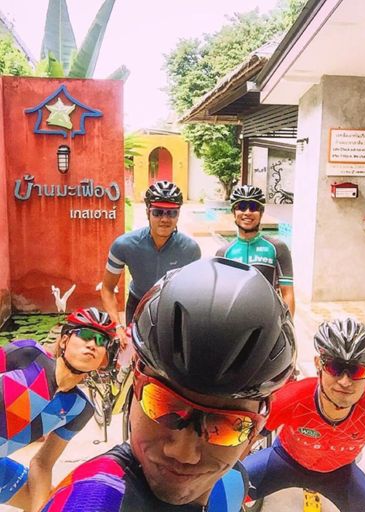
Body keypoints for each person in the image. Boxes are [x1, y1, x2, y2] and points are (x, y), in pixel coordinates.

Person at [40, 257, 296, 511]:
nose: (183, 453)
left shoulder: (234, 482)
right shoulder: (91, 499)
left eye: (226, 425)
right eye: (162, 404)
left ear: (255, 432)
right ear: (134, 386)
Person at [243, 318, 365, 512]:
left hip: (340, 473)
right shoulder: (290, 398)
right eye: (335, 367)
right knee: (219, 493)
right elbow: (242, 445)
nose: (345, 382)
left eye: (356, 370)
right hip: (284, 460)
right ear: (318, 364)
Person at [0, 307, 119, 512]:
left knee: (54, 505)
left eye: (101, 341)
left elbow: (43, 464)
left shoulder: (79, 408)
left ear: (103, 360)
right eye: (85, 335)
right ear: (64, 341)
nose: (92, 344)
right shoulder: (28, 355)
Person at [101, 180, 201, 348]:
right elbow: (107, 289)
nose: (164, 219)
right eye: (158, 212)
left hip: (171, 308)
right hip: (137, 305)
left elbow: (195, 294)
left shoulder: (190, 249)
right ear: (148, 212)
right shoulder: (124, 245)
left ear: (178, 215)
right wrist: (117, 326)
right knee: (134, 354)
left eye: (172, 213)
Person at [216, 185, 295, 316]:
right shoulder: (223, 253)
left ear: (261, 212)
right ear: (234, 212)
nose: (247, 212)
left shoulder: (277, 248)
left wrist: (288, 325)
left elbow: (287, 292)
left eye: (253, 207)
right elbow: (221, 295)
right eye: (242, 207)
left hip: (268, 320)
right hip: (236, 320)